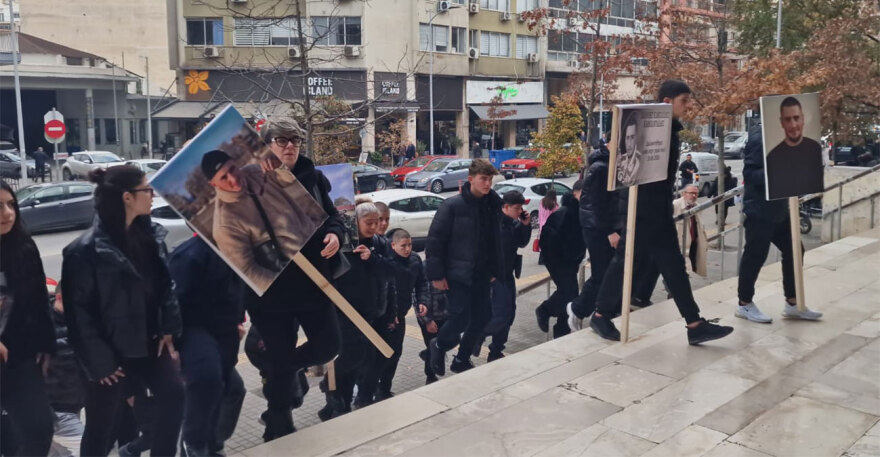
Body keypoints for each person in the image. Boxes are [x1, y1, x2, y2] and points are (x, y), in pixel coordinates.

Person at [578, 80, 734, 345]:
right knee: (625, 262)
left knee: (673, 267)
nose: (688, 106)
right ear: (666, 102)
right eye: (684, 100)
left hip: (657, 211)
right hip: (642, 211)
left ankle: (694, 324)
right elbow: (628, 172)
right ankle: (601, 314)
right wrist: (623, 218)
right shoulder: (649, 127)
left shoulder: (668, 129)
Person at [61, 165, 184, 456]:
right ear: (127, 197)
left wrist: (169, 327)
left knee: (175, 394)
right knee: (102, 427)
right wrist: (100, 363)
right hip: (110, 354)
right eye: (147, 189)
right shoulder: (83, 251)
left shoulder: (151, 236)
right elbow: (79, 316)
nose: (152, 195)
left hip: (149, 342)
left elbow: (165, 287)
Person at [248, 117, 346, 441]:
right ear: (266, 144)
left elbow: (334, 217)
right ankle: (278, 425)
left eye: (295, 140)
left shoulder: (313, 178)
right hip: (272, 293)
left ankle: (289, 369)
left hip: (312, 284)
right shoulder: (252, 183)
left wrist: (335, 235)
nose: (290, 145)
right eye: (281, 139)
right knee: (276, 361)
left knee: (329, 344)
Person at [201, 147, 327, 293]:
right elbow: (247, 271)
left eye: (233, 169)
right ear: (214, 184)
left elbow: (298, 192)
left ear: (236, 162)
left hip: (318, 254)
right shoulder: (224, 224)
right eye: (224, 177)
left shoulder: (257, 171)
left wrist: (280, 168)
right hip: (291, 284)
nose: (233, 179)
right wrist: (283, 289)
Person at [735, 120, 823, 324]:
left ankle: (792, 302)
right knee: (756, 255)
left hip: (780, 208)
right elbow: (750, 174)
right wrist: (779, 169)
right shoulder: (759, 137)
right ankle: (744, 303)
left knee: (795, 250)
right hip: (760, 210)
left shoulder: (785, 135)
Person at [169, 233, 247, 456]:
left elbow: (238, 289)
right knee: (207, 378)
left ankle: (212, 444)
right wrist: (171, 339)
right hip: (192, 327)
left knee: (232, 389)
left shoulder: (239, 250)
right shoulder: (188, 255)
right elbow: (173, 302)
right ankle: (194, 444)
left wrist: (238, 320)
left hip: (225, 328)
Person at [426, 159, 503, 376]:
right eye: (483, 179)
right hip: (457, 274)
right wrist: (437, 274)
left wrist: (494, 270)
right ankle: (438, 346)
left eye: (490, 180)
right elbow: (435, 242)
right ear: (471, 180)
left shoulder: (490, 205)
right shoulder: (452, 206)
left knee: (483, 316)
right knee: (460, 316)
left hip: (482, 273)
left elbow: (494, 240)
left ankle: (461, 358)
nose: (488, 184)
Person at [0, 179, 57, 456]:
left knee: (39, 428)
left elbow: (38, 301)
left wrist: (46, 344)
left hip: (19, 355)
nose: (8, 213)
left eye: (11, 204)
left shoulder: (23, 246)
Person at [320, 201, 390, 419]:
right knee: (355, 353)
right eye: (368, 222)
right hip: (343, 310)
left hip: (369, 310)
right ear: (355, 222)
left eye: (376, 222)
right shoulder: (342, 245)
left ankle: (337, 406)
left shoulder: (379, 243)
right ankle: (328, 386)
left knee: (355, 366)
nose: (373, 226)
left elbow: (388, 275)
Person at [567, 145, 619, 326]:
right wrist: (610, 231)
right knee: (602, 273)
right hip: (597, 228)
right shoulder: (601, 168)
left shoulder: (610, 165)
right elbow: (598, 204)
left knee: (611, 271)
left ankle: (604, 310)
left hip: (603, 226)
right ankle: (578, 309)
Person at [480, 191, 532, 360]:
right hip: (495, 277)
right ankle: (474, 336)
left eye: (521, 208)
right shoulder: (494, 225)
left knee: (509, 314)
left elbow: (522, 242)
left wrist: (525, 225)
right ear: (505, 207)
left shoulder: (513, 224)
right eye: (517, 208)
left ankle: (496, 350)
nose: (519, 211)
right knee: (500, 315)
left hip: (507, 274)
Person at [379, 229, 430, 391]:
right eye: (403, 246)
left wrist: (423, 301)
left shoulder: (415, 260)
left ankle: (385, 389)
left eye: (409, 245)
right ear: (393, 245)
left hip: (400, 316)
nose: (407, 249)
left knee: (396, 353)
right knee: (376, 355)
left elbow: (422, 283)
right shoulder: (385, 261)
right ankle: (368, 390)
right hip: (382, 316)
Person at [535, 181, 585, 338]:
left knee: (571, 295)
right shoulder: (565, 212)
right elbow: (548, 238)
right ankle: (545, 310)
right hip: (558, 260)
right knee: (568, 292)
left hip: (571, 260)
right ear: (576, 193)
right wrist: (557, 258)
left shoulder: (580, 212)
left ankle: (561, 330)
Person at [45, 282, 87, 457]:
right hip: (57, 411)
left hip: (70, 406)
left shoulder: (78, 320)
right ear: (60, 298)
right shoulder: (40, 324)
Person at [766, 96, 824, 200]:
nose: (793, 125)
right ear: (781, 122)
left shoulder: (815, 149)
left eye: (796, 118)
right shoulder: (772, 157)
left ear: (803, 119)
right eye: (788, 119)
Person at [674, 184, 708, 277]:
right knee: (680, 270)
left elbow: (700, 225)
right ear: (684, 194)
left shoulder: (697, 206)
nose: (694, 196)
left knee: (689, 269)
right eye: (691, 193)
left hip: (693, 243)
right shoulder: (675, 205)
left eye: (696, 194)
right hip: (679, 245)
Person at [616, 113, 642, 187]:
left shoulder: (640, 160)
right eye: (627, 138)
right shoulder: (621, 160)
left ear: (636, 138)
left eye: (632, 137)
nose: (629, 144)